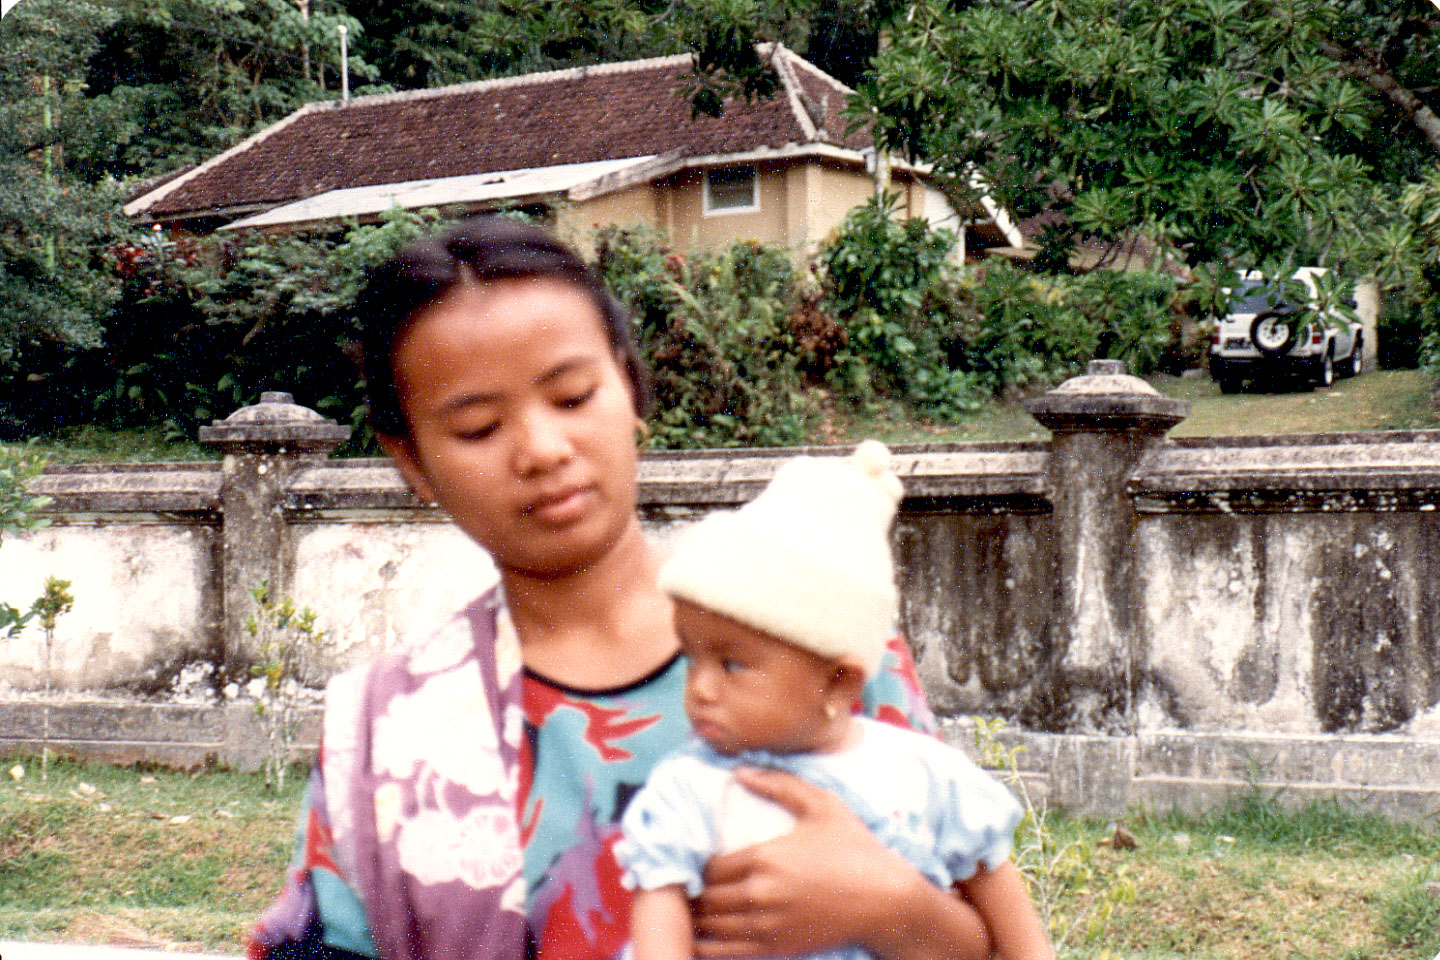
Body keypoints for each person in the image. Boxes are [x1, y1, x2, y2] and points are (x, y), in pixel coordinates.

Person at [248, 217, 1000, 960]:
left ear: (632, 389)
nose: (543, 450)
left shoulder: (814, 624)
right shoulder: (390, 731)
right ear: (411, 461)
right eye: (478, 428)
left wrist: (893, 908)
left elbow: (991, 927)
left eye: (573, 396)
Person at [616, 441, 1054, 960]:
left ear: (840, 684)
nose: (700, 689)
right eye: (692, 659)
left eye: (732, 664)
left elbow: (1019, 933)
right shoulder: (687, 789)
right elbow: (658, 934)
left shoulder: (927, 776)